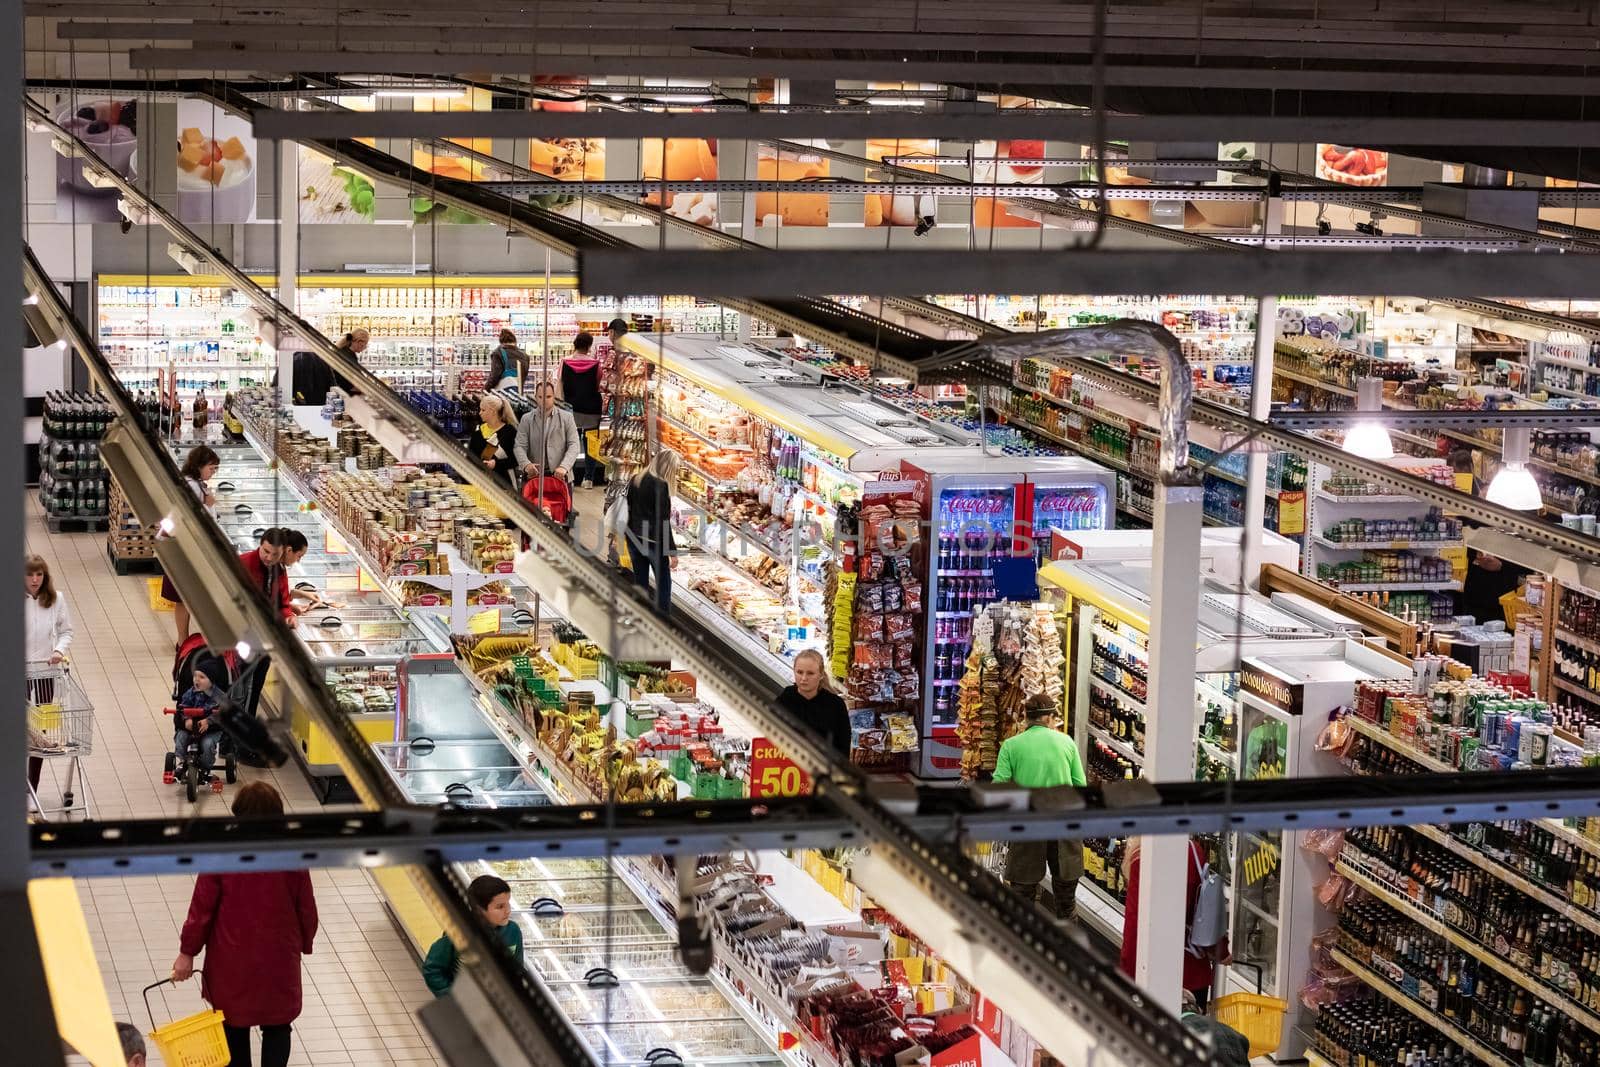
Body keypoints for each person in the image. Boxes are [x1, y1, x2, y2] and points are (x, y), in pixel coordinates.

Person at [173, 782, 317, 1067]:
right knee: (278, 1025)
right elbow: (307, 909)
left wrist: (187, 952)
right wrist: (303, 943)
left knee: (233, 1026)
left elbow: (201, 909)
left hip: (231, 959)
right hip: (278, 958)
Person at [991, 695, 1085, 922]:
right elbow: (1080, 786)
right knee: (1066, 899)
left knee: (1022, 896)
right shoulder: (1066, 743)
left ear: (1026, 717)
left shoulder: (1011, 746)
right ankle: (1068, 947)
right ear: (1048, 717)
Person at [1119, 836, 1220, 1010]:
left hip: (1155, 977)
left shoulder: (1143, 858)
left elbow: (1135, 929)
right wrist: (1221, 949)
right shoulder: (1194, 851)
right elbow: (1205, 907)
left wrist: (1126, 979)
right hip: (1194, 971)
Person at [421, 874, 523, 996]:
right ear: (479, 910)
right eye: (500, 907)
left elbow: (517, 968)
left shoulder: (513, 931)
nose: (507, 910)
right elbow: (433, 969)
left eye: (508, 904)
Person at [25, 554, 74, 798]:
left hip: (46, 672)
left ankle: (31, 790)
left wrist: (58, 651)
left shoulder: (56, 600)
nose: (34, 580)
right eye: (30, 574)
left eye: (39, 574)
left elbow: (66, 631)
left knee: (42, 733)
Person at [163, 444, 220, 647]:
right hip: (185, 550)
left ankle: (184, 639)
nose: (213, 473)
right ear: (199, 466)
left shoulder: (194, 485)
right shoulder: (192, 487)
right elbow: (188, 519)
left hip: (185, 547)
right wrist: (208, 504)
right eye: (211, 468)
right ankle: (182, 640)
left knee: (185, 597)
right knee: (184, 597)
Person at [625, 448, 678, 612]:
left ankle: (640, 616)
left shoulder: (636, 479)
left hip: (633, 537)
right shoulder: (661, 486)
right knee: (663, 584)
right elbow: (663, 522)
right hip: (653, 542)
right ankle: (663, 622)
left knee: (640, 581)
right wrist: (672, 552)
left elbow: (629, 508)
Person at [776, 649, 851, 756]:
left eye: (810, 673)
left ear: (821, 675)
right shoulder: (785, 698)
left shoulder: (836, 705)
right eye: (799, 672)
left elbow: (843, 748)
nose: (804, 678)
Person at [558, 331, 605, 488]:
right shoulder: (596, 364)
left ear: (574, 344)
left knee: (571, 442)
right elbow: (598, 385)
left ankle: (568, 474)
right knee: (591, 443)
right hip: (592, 409)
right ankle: (589, 478)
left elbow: (560, 384)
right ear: (589, 346)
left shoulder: (565, 362)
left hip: (571, 409)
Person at [513, 381, 581, 484]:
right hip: (533, 478)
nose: (544, 400)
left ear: (554, 397)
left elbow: (574, 445)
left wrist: (564, 466)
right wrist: (526, 465)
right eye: (540, 397)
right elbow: (519, 446)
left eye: (548, 397)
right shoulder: (526, 419)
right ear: (535, 397)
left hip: (561, 477)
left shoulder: (567, 417)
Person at [173, 656, 225, 779]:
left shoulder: (219, 696)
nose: (197, 680)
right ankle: (182, 761)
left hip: (210, 730)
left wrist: (208, 721)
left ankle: (206, 768)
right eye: (195, 676)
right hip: (191, 727)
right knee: (181, 737)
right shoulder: (190, 693)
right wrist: (186, 719)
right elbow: (182, 707)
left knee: (207, 745)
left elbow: (224, 712)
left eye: (202, 677)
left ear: (211, 681)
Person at [1461, 548, 1529, 626]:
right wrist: (1476, 555)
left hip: (1503, 603)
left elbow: (1528, 566)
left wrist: (1502, 566)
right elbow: (1464, 545)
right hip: (1474, 595)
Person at [468, 394, 520, 485]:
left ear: (492, 411)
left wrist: (496, 464)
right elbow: (470, 458)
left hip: (504, 483)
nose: (480, 413)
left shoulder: (510, 432)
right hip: (480, 482)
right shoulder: (478, 433)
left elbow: (516, 459)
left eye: (483, 410)